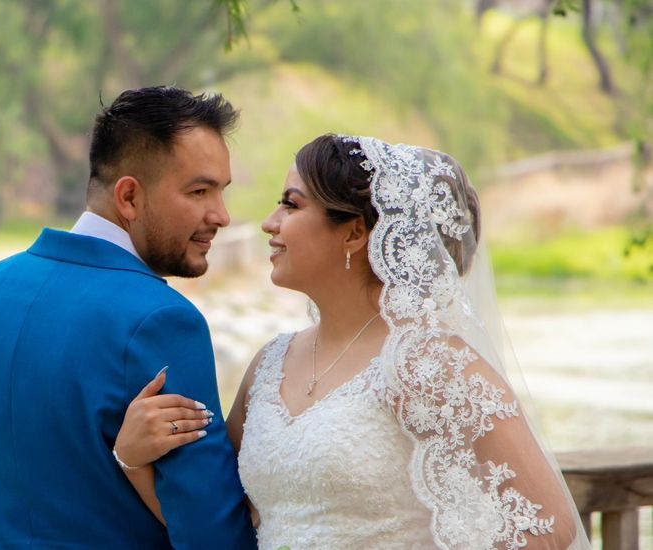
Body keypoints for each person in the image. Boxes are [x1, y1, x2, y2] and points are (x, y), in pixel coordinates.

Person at [114, 134, 592, 549]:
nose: (269, 222)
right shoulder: (270, 363)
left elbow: (547, 524)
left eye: (291, 203)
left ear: (355, 232)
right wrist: (133, 461)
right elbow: (222, 519)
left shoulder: (431, 362)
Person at [0, 86, 256, 549]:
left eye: (222, 191)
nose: (222, 216)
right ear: (129, 196)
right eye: (199, 191)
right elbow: (211, 533)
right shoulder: (163, 321)